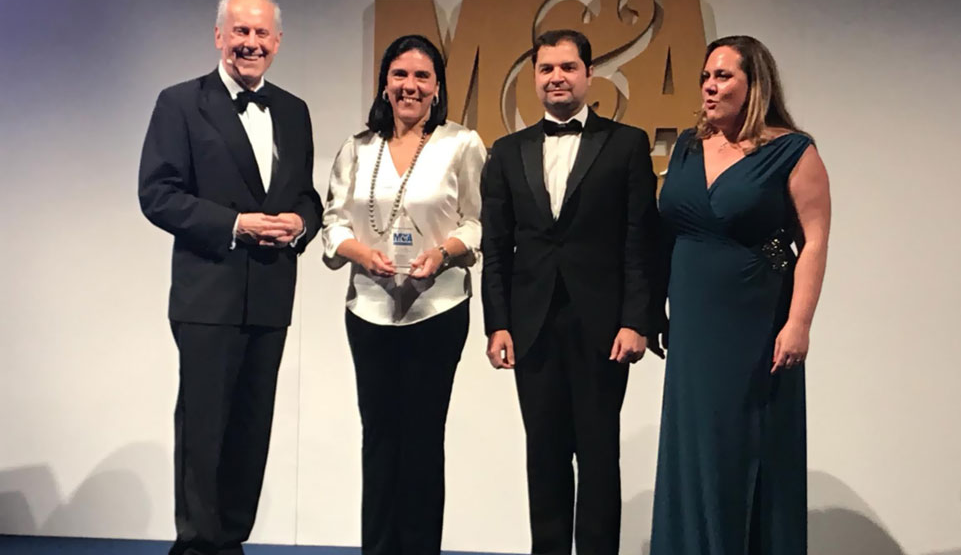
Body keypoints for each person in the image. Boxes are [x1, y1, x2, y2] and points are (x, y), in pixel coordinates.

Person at [138, 0, 322, 555]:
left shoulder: (293, 110)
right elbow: (158, 195)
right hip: (208, 295)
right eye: (240, 30)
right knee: (203, 430)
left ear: (278, 41)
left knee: (250, 429)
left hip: (270, 294)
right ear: (219, 35)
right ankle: (197, 545)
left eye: (261, 32)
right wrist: (235, 224)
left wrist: (303, 222)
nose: (251, 42)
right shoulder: (179, 103)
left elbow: (306, 194)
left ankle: (230, 542)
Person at [650, 35, 831, 555]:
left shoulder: (792, 150)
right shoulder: (688, 146)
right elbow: (669, 233)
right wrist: (655, 306)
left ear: (755, 84)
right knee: (694, 442)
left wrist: (798, 324)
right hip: (692, 320)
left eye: (723, 76)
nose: (709, 86)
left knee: (740, 441)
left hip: (753, 319)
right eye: (706, 76)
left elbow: (814, 241)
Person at [480, 29, 658, 555]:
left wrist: (637, 320)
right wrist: (497, 323)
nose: (556, 77)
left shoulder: (626, 144)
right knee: (544, 457)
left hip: (603, 327)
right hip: (532, 326)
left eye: (567, 67)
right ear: (534, 77)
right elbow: (496, 246)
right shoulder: (506, 151)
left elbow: (640, 240)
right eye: (546, 68)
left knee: (599, 457)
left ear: (589, 74)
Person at [322, 34, 485, 555]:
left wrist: (443, 253)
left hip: (437, 307)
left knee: (422, 439)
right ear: (384, 83)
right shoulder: (357, 147)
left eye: (421, 76)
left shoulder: (462, 144)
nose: (409, 86)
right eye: (399, 75)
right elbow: (332, 221)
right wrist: (359, 252)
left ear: (437, 87)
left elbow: (479, 222)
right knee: (378, 437)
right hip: (368, 308)